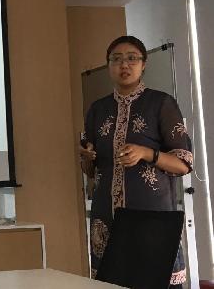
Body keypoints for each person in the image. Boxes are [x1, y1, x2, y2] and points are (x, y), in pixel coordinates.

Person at [79, 35, 193, 288]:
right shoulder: (97, 109)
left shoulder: (161, 103)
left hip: (150, 217)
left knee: (154, 280)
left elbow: (183, 164)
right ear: (108, 65)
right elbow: (91, 171)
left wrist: (147, 153)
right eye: (116, 59)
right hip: (107, 218)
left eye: (132, 58)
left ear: (144, 64)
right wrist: (87, 158)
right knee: (111, 282)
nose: (124, 65)